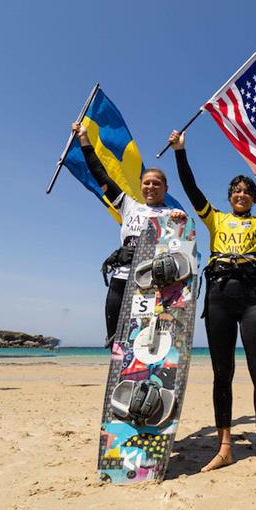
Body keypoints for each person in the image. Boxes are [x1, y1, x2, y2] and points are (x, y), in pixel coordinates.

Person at [168, 129, 256, 473]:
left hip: (253, 299)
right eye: (236, 190)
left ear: (253, 198)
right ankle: (225, 446)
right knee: (222, 374)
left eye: (247, 191)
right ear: (229, 196)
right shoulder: (215, 218)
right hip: (218, 298)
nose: (241, 194)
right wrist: (180, 152)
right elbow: (190, 189)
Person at [72, 123, 186, 346]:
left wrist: (178, 220)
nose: (151, 187)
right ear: (141, 186)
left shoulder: (171, 214)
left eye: (156, 183)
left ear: (166, 188)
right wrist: (84, 139)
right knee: (116, 340)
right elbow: (99, 173)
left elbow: (180, 251)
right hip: (121, 280)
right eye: (147, 183)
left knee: (144, 341)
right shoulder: (128, 205)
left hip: (151, 284)